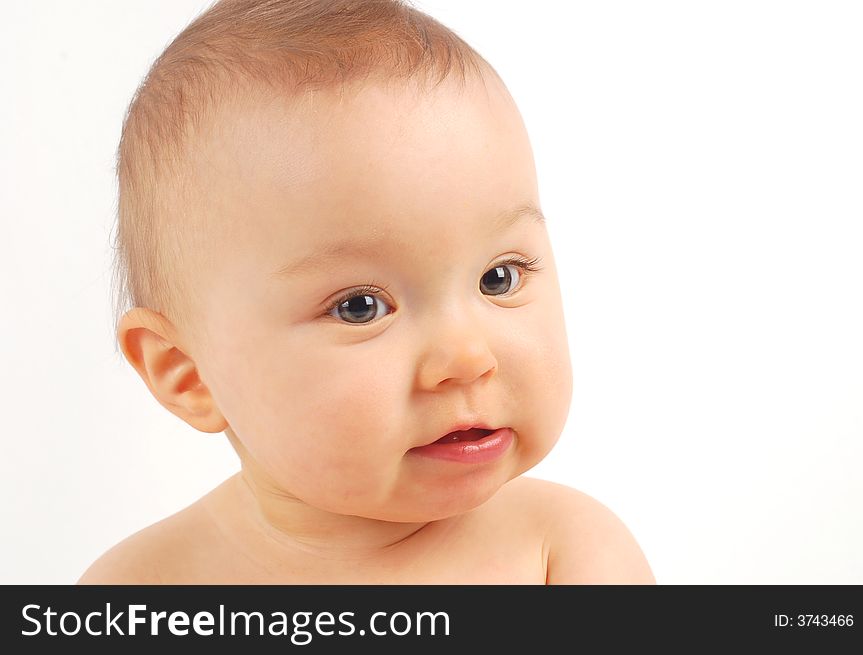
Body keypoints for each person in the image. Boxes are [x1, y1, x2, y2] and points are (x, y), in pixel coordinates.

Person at [79, 0, 654, 584]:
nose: (467, 359)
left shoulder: (565, 553)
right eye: (361, 307)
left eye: (498, 278)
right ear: (188, 371)